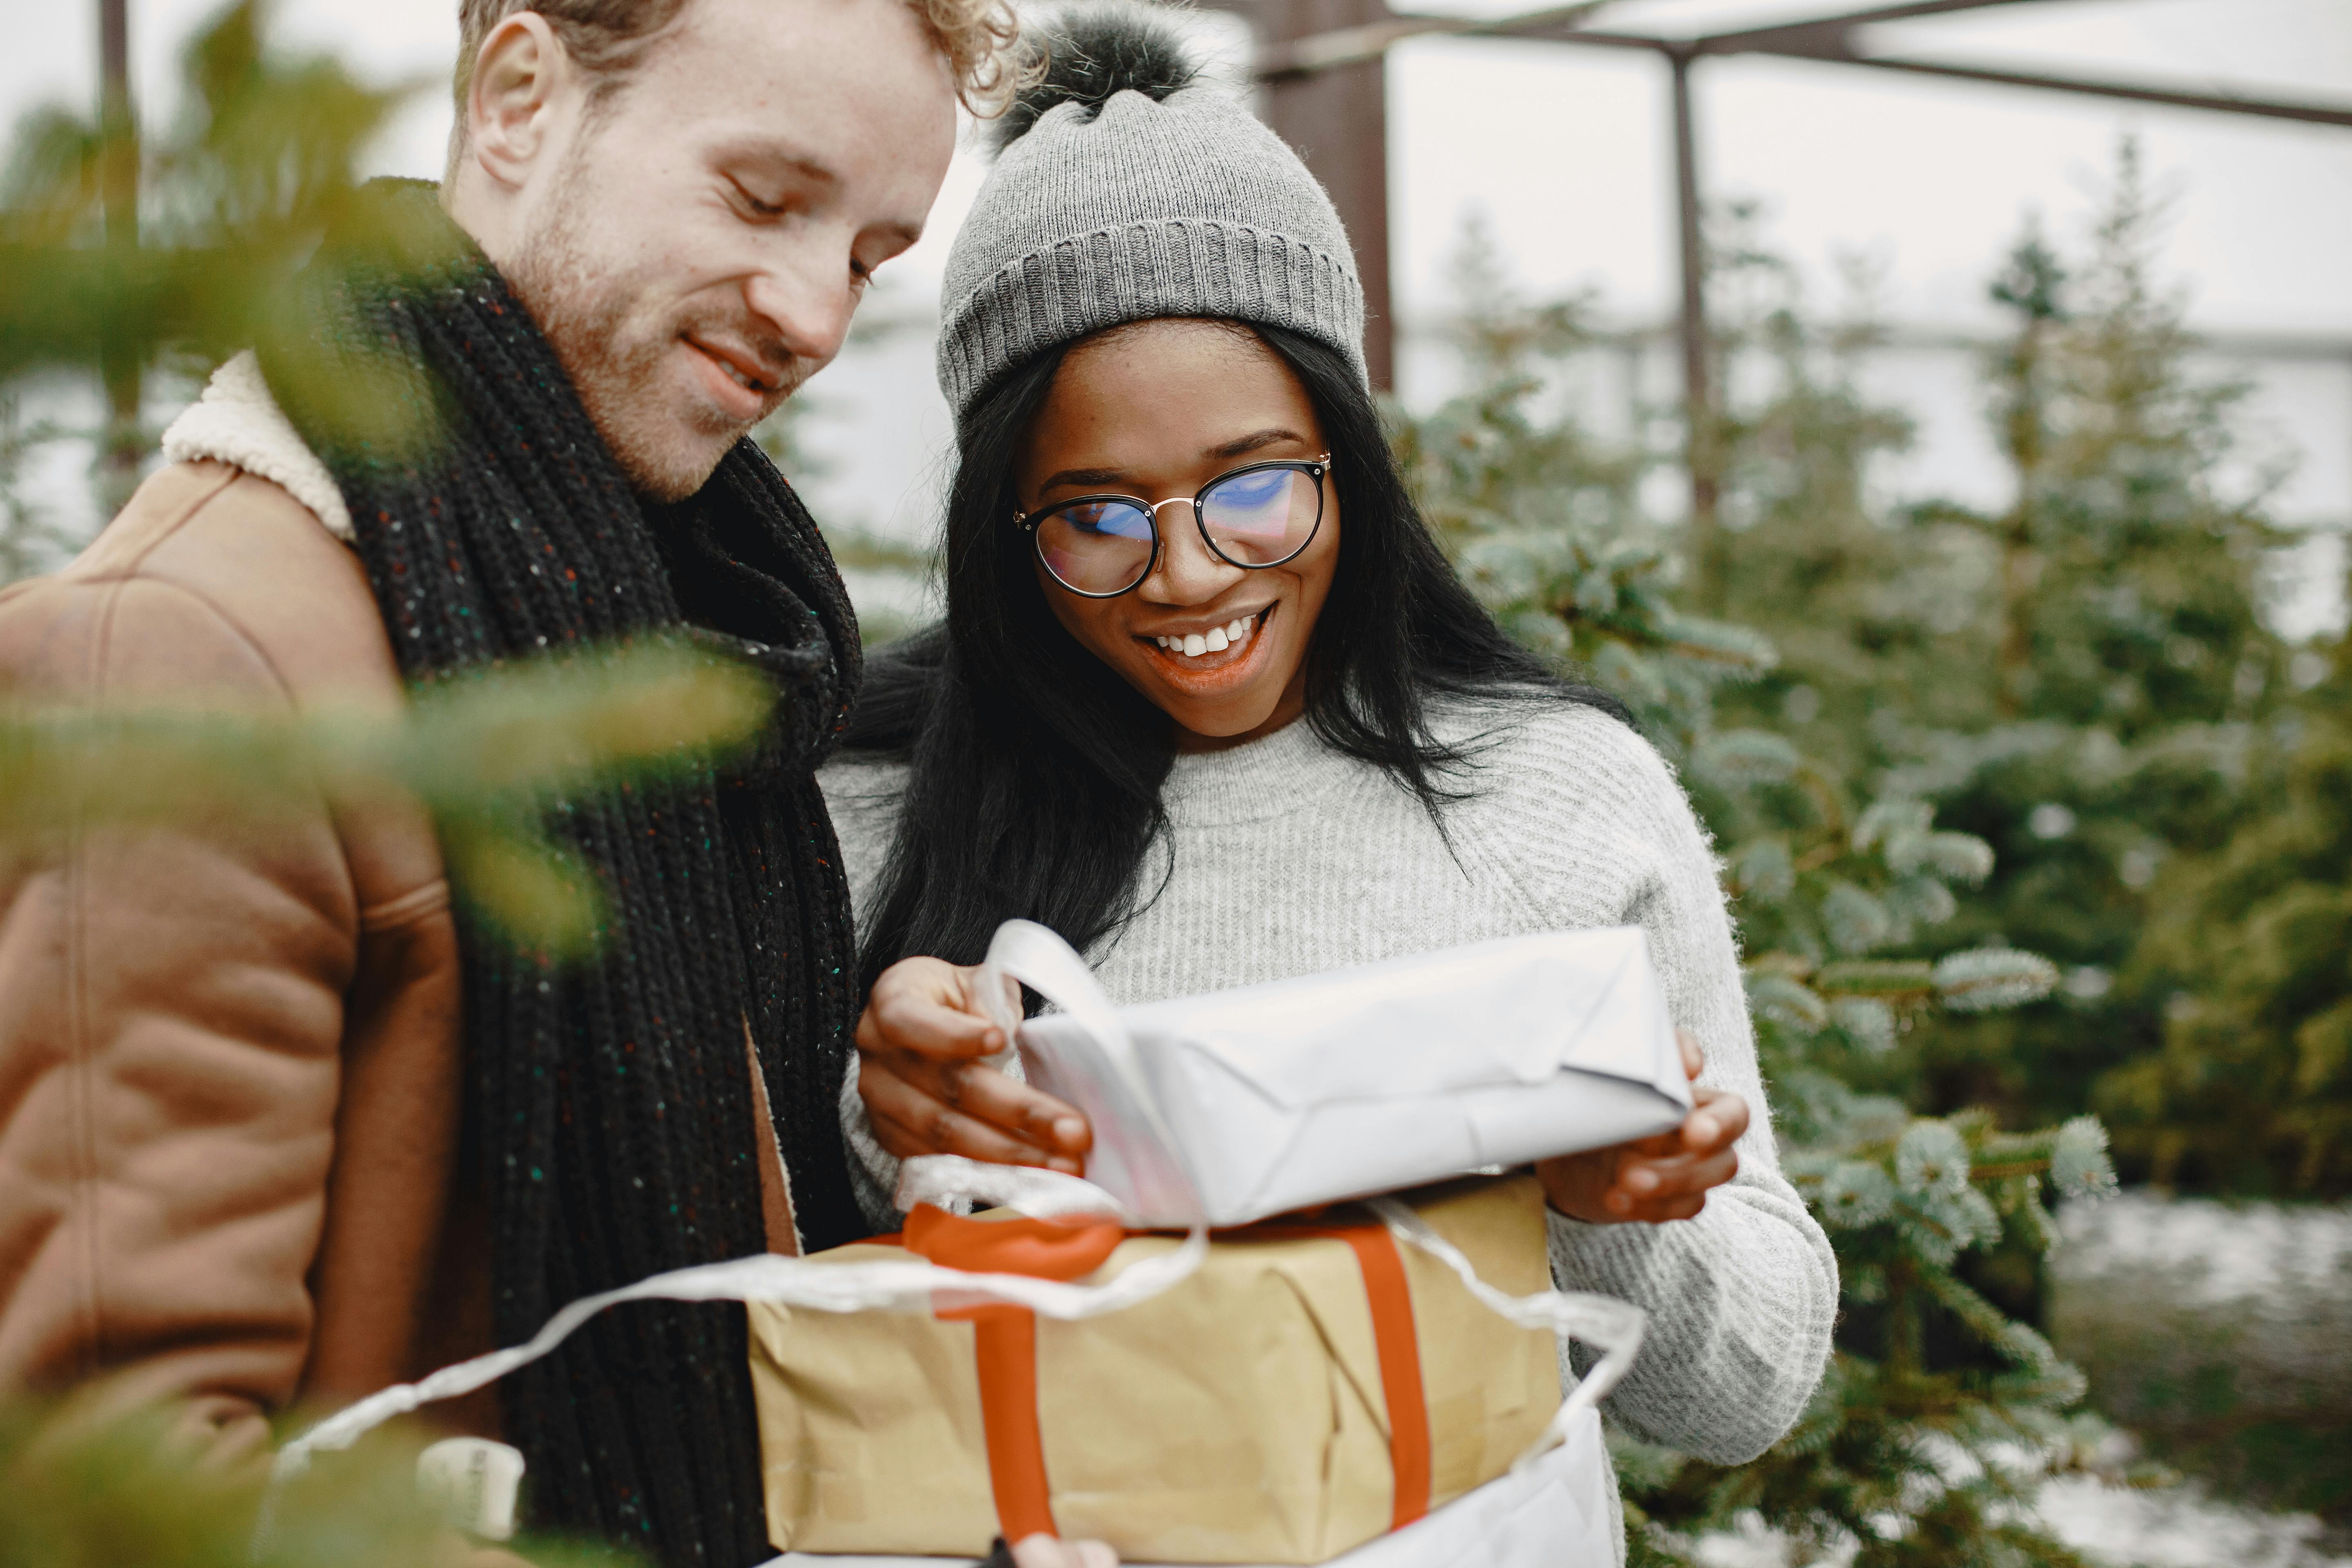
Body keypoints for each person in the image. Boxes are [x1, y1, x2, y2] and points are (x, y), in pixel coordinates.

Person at [0, 0, 1019, 1561]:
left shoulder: (654, 632)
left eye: (873, 254)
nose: (818, 315)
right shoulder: (183, 660)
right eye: (763, 199)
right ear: (521, 97)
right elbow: (120, 1492)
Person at [825, 10, 1839, 1560]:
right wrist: (893, 1115)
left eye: (1253, 487)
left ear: (1345, 462)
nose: (1186, 576)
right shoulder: (870, 811)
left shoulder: (1552, 800)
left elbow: (1749, 1392)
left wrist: (1620, 1199)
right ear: (1001, 530)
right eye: (1094, 514)